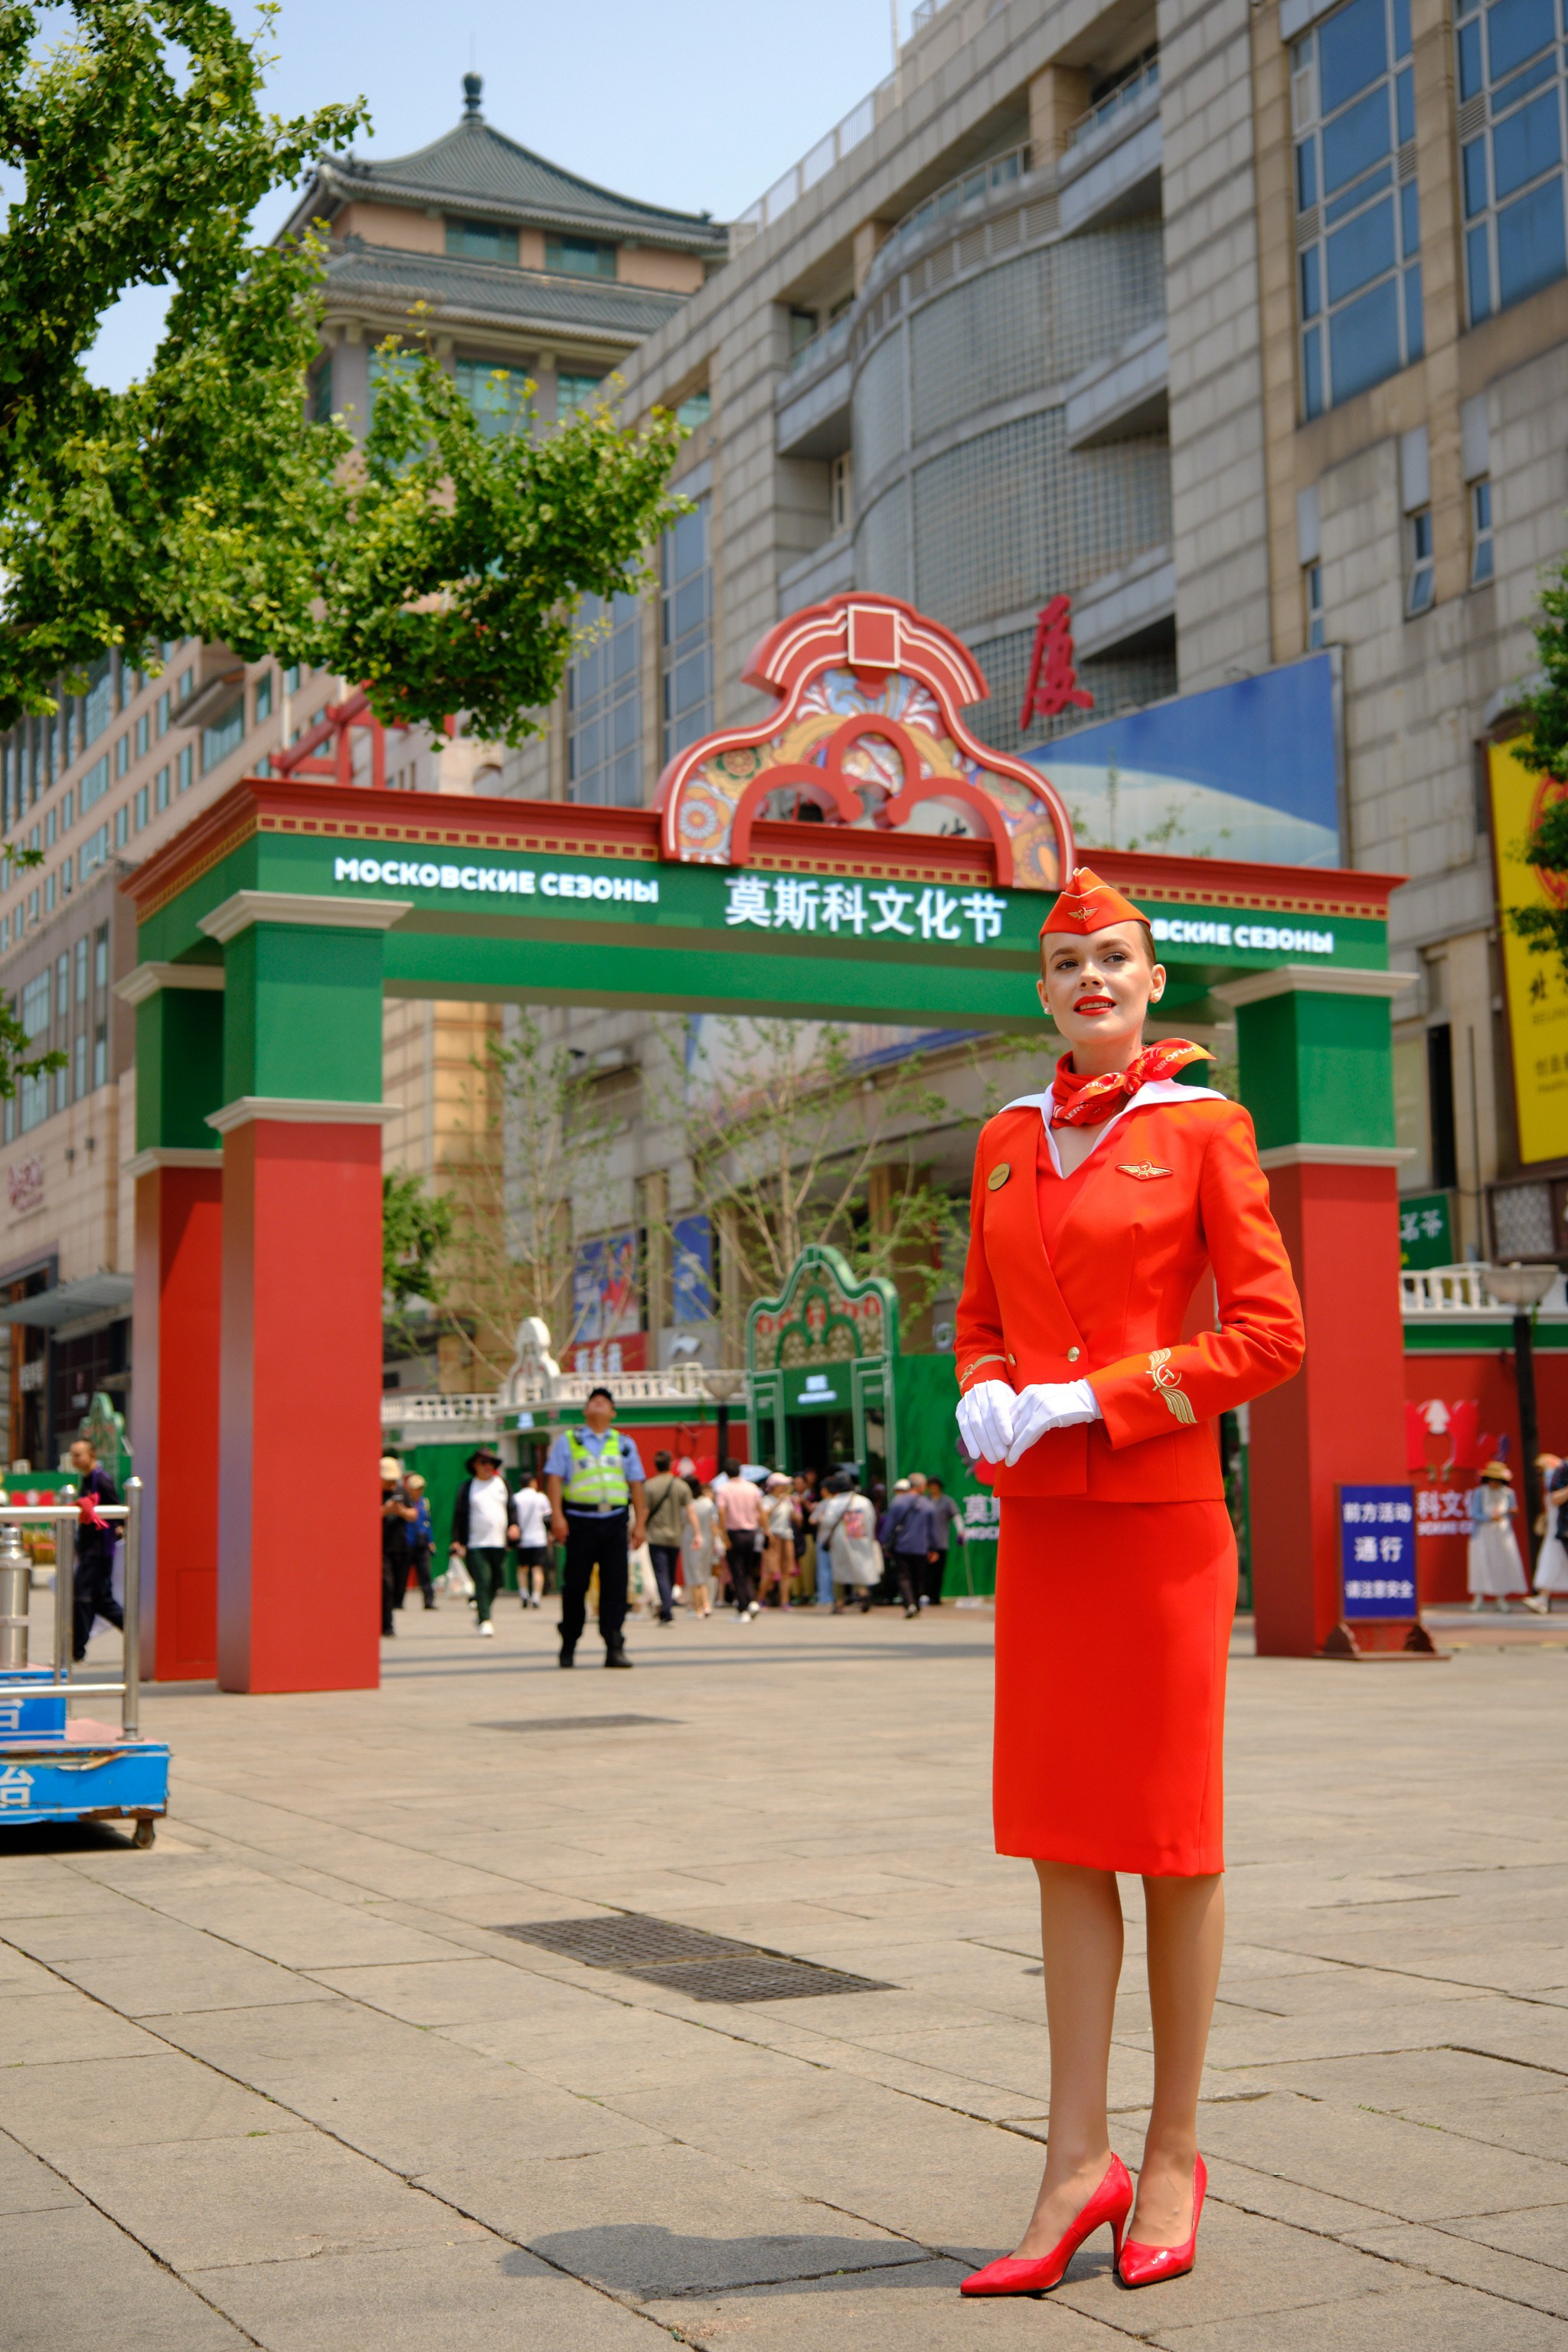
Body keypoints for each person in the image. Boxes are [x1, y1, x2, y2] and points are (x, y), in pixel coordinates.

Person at [953, 865, 1304, 2299]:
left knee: (1168, 1834)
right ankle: (1068, 2161)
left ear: (1154, 982)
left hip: (1159, 1522)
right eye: (1065, 964)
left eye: (1114, 958)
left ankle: (1169, 2152)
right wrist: (979, 1390)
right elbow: (978, 1313)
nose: (1088, 978)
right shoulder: (997, 1140)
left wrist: (1098, 1395)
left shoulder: (1204, 1129)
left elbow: (1268, 1337)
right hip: (1043, 1529)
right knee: (1059, 1833)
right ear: (1040, 992)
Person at [544, 1387, 647, 1668]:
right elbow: (554, 1479)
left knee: (615, 1586)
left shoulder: (624, 1444)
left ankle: (614, 1645)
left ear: (613, 1413)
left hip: (615, 1521)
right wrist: (557, 1516)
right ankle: (569, 1643)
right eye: (594, 1401)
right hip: (580, 1521)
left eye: (605, 1402)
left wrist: (641, 1524)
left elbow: (636, 1484)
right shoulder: (569, 1441)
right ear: (585, 1411)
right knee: (575, 1585)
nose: (599, 1404)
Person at [68, 1438, 122, 1662]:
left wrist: (118, 1527)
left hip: (98, 1550)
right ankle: (141, 1635)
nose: (75, 1459)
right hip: (91, 1548)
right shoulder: (87, 1479)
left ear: (91, 1454)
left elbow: (117, 1510)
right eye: (73, 1455)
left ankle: (76, 1651)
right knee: (101, 1601)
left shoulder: (101, 1479)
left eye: (78, 1454)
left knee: (83, 1595)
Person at [449, 1445, 511, 1638]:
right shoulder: (468, 1487)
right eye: (483, 1462)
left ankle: (482, 1612)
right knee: (483, 1580)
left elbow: (512, 1508)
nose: (487, 1466)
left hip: (499, 1542)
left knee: (497, 1580)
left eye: (490, 1463)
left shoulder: (502, 1484)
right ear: (475, 1465)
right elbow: (459, 1515)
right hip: (476, 1543)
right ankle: (485, 1619)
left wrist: (514, 1526)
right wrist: (457, 1541)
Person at [643, 1451, 697, 1625]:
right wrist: (698, 1533)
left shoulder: (649, 1486)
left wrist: (638, 1529)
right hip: (675, 1536)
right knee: (671, 1572)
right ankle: (668, 1604)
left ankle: (666, 1608)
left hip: (655, 1536)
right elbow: (690, 1511)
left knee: (661, 1573)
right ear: (671, 1464)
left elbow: (644, 1511)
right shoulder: (681, 1486)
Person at [1466, 1458, 1527, 1610]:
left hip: (1502, 1534)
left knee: (1501, 1565)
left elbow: (1512, 1512)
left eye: (1498, 1480)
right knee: (1480, 1564)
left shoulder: (1508, 1493)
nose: (1494, 1483)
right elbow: (1474, 1513)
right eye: (1492, 1480)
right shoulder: (1479, 1493)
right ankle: (1478, 1598)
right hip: (1483, 1534)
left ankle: (1500, 1598)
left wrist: (1512, 1513)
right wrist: (1489, 1518)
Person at [815, 1470, 881, 1611]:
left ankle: (839, 1603)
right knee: (859, 1567)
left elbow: (828, 1521)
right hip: (860, 1538)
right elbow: (871, 1519)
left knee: (839, 1570)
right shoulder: (863, 1501)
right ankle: (863, 1593)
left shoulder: (834, 1503)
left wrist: (821, 1519)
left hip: (840, 1540)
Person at [715, 1459, 763, 1619]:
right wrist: (766, 1530)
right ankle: (750, 1601)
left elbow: (722, 1513)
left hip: (734, 1533)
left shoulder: (723, 1490)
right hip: (751, 1532)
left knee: (737, 1570)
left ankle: (744, 1605)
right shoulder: (752, 1488)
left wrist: (723, 1535)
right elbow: (760, 1510)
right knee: (747, 1569)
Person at [884, 1477, 936, 1619]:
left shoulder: (898, 1501)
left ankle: (909, 1603)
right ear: (922, 1486)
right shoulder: (927, 1504)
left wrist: (884, 1540)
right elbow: (932, 1529)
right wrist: (933, 1548)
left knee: (903, 1576)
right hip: (921, 1547)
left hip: (902, 1546)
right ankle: (917, 1604)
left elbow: (890, 1524)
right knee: (919, 1577)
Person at [381, 1455, 415, 1638]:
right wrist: (385, 1511)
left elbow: (413, 1514)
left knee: (398, 1588)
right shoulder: (374, 1492)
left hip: (401, 1545)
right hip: (382, 1547)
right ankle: (387, 1624)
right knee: (386, 1584)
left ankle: (388, 1614)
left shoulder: (402, 1491)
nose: (391, 1484)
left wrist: (400, 1511)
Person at [1531, 1452, 1568, 1612]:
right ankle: (1542, 1599)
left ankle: (1542, 1599)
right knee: (1552, 1558)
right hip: (1560, 1528)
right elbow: (1554, 1499)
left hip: (1559, 1528)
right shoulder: (1559, 1473)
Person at [510, 1469, 551, 1609]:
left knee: (522, 1568)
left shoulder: (515, 1498)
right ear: (532, 1482)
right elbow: (548, 1517)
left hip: (522, 1540)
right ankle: (536, 1596)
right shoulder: (541, 1498)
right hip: (539, 1539)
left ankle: (523, 1593)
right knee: (537, 1569)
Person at [681, 1477, 721, 1619]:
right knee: (704, 1573)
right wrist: (717, 1540)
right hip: (707, 1540)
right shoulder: (707, 1503)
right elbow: (713, 1524)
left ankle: (697, 1608)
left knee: (693, 1574)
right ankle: (706, 1604)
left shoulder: (686, 1504)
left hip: (689, 1540)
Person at [926, 1474, 966, 1602]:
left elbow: (956, 1516)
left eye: (935, 1486)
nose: (932, 1489)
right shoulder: (925, 1501)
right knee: (926, 1571)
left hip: (940, 1541)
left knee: (938, 1571)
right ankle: (926, 1594)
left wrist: (961, 1531)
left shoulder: (947, 1501)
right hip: (925, 1542)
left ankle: (935, 1596)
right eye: (930, 1486)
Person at [760, 1473, 796, 1608]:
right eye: (783, 1484)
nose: (786, 1487)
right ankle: (761, 1598)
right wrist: (778, 1503)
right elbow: (763, 1517)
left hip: (787, 1536)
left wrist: (796, 1505)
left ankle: (785, 1601)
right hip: (772, 1537)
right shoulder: (766, 1500)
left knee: (787, 1570)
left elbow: (793, 1518)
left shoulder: (788, 1500)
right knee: (770, 1570)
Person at [403, 1472, 436, 1609]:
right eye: (417, 1488)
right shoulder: (404, 1502)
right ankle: (398, 1602)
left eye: (421, 1488)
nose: (420, 1491)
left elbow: (428, 1522)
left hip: (422, 1541)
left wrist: (431, 1540)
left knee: (426, 1573)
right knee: (403, 1573)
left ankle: (429, 1601)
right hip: (407, 1541)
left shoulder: (424, 1502)